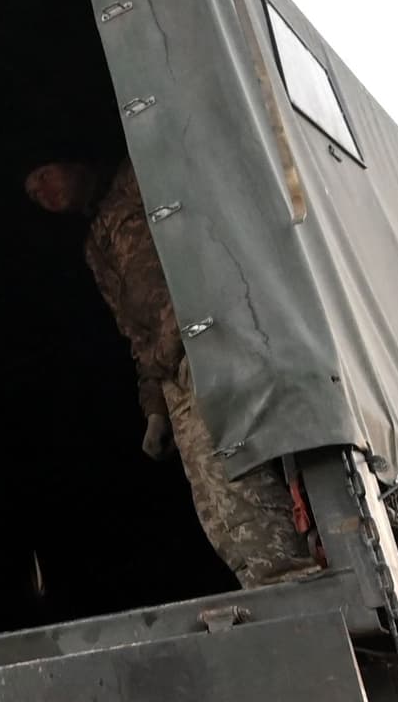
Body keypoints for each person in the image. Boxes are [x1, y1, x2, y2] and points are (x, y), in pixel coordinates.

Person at [22, 159, 318, 586]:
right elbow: (133, 333)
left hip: (210, 343)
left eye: (44, 176)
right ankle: (266, 587)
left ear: (69, 162)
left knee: (239, 472)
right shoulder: (94, 244)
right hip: (171, 373)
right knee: (213, 500)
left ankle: (294, 579)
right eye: (34, 194)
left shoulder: (137, 177)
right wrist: (155, 408)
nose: (44, 194)